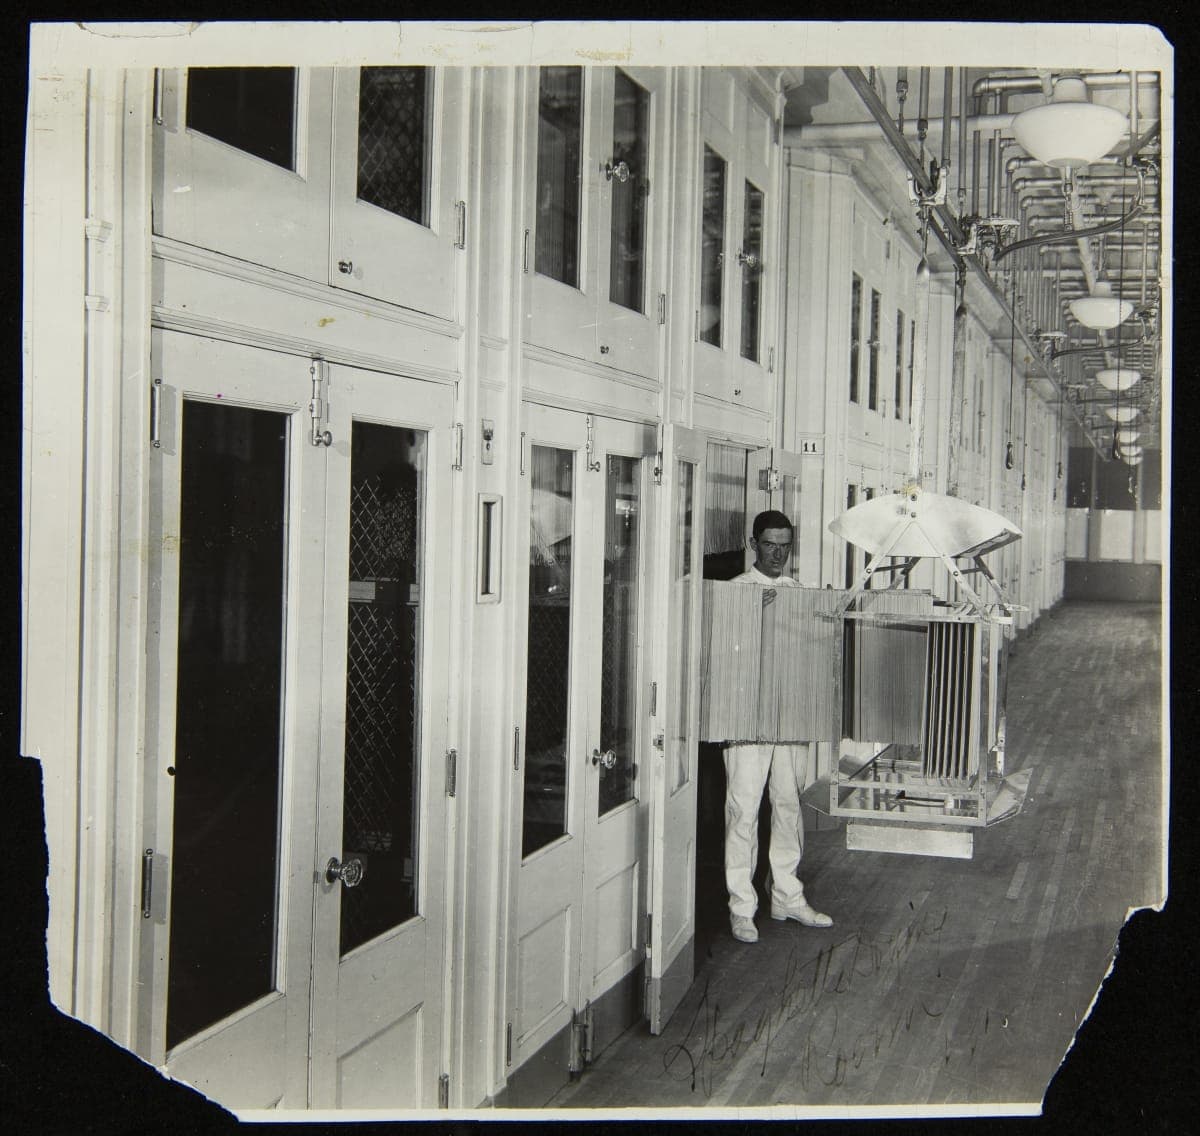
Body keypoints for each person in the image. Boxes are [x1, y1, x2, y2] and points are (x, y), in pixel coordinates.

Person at [724, 509, 833, 944]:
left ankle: (787, 895)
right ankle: (741, 906)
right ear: (754, 545)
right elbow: (723, 657)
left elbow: (810, 655)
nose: (778, 554)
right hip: (746, 719)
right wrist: (754, 618)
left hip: (789, 718)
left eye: (785, 546)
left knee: (788, 806)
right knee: (743, 812)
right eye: (770, 544)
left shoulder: (797, 592)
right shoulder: (734, 592)